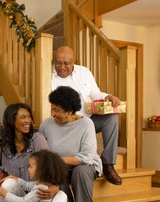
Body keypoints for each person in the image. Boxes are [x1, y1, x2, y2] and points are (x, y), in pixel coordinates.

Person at [39, 86, 102, 202]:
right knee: (55, 180)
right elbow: (41, 153)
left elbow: (86, 157)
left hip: (85, 165)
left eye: (57, 110)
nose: (53, 113)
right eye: (52, 108)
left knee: (80, 173)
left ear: (70, 110)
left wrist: (56, 160)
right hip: (60, 168)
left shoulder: (86, 124)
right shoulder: (47, 125)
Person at [52, 46, 122, 185]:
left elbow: (95, 94)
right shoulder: (47, 75)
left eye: (66, 63)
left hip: (88, 121)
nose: (62, 67)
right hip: (66, 124)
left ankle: (108, 164)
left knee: (112, 117)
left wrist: (107, 96)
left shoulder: (84, 72)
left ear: (73, 63)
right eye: (58, 63)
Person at [0, 103, 63, 202]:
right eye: (22, 117)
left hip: (38, 194)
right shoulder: (7, 145)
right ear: (12, 120)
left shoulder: (37, 139)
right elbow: (5, 171)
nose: (27, 121)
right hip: (21, 194)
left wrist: (55, 187)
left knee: (8, 185)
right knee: (7, 183)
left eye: (29, 117)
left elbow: (49, 167)